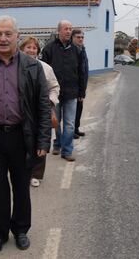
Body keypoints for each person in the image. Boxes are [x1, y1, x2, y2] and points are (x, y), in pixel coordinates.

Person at [0, 16, 51, 255]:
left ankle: (21, 230)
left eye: (8, 34)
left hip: (21, 137)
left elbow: (43, 106)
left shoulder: (32, 67)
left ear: (17, 36)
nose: (3, 38)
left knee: (21, 187)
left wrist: (43, 140)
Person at [41, 20, 85, 162]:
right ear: (58, 31)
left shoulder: (77, 51)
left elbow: (82, 72)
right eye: (65, 29)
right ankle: (57, 143)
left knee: (70, 123)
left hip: (72, 93)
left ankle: (67, 151)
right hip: (55, 94)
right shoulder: (49, 49)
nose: (68, 31)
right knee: (56, 121)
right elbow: (43, 73)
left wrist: (81, 92)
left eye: (70, 29)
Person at [19, 36, 60, 187]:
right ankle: (22, 171)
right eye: (28, 47)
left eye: (34, 47)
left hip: (41, 111)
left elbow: (55, 87)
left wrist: (48, 102)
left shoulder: (46, 68)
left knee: (40, 141)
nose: (31, 50)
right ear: (22, 49)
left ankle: (36, 174)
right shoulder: (16, 66)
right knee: (22, 142)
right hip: (22, 112)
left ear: (38, 51)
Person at [71, 29, 89, 139]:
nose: (80, 39)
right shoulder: (72, 51)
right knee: (72, 111)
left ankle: (76, 129)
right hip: (74, 87)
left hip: (82, 86)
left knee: (79, 109)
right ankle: (71, 131)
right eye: (78, 37)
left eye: (82, 37)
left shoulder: (82, 49)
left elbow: (84, 70)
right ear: (72, 38)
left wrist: (83, 89)